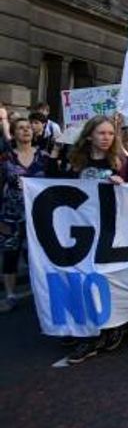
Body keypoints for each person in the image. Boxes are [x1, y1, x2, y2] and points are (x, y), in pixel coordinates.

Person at [46, 116, 126, 362]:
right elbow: (52, 182)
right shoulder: (76, 161)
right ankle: (88, 334)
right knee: (81, 279)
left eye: (110, 134)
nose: (106, 138)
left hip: (107, 230)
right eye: (101, 133)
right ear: (90, 135)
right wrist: (56, 150)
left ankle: (107, 329)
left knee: (102, 279)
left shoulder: (118, 162)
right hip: (78, 231)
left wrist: (122, 183)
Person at [0, 118, 48, 313]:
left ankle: (41, 295)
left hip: (38, 217)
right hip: (10, 217)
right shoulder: (5, 159)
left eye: (28, 128)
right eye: (21, 128)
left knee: (37, 257)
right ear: (13, 133)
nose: (26, 131)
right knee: (10, 255)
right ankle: (10, 296)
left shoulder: (44, 157)